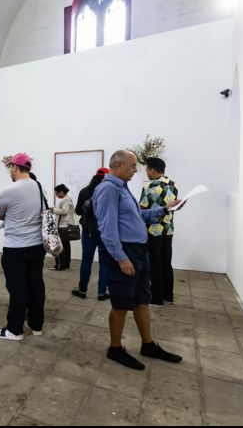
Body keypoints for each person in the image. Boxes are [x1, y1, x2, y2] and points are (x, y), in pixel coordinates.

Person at [93, 150, 183, 370]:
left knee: (142, 299)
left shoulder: (122, 188)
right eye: (133, 166)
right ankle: (115, 348)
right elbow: (107, 228)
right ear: (119, 165)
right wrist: (121, 258)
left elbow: (136, 217)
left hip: (138, 252)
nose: (136, 170)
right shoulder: (107, 189)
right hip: (125, 253)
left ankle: (148, 344)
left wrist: (164, 209)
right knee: (121, 304)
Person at [0, 153, 46, 341]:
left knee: (17, 289)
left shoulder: (8, 191)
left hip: (15, 247)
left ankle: (14, 330)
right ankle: (36, 325)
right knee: (36, 285)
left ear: (14, 167)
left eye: (10, 168)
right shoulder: (39, 188)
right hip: (37, 246)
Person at [140, 157, 179, 306]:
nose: (147, 173)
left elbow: (143, 209)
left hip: (154, 230)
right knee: (166, 263)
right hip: (169, 229)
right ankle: (168, 295)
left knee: (155, 264)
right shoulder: (173, 186)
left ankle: (156, 297)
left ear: (153, 170)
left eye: (147, 170)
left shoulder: (149, 187)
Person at [71, 168, 111, 300]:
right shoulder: (110, 191)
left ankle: (82, 290)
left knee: (86, 261)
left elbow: (78, 211)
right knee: (104, 263)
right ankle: (102, 293)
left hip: (88, 232)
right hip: (105, 232)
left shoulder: (85, 191)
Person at [52, 184, 76, 271]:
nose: (56, 195)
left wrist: (53, 210)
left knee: (61, 246)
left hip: (63, 226)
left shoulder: (66, 200)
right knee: (66, 245)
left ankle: (60, 265)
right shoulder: (67, 199)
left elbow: (64, 211)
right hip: (65, 226)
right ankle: (65, 264)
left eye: (57, 193)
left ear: (61, 192)